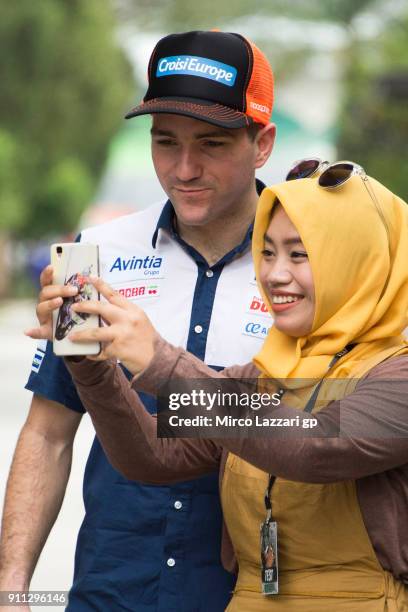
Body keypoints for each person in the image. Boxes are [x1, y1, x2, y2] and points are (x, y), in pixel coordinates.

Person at [28, 163, 408, 610]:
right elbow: (154, 453)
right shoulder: (263, 371)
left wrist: (159, 359)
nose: (275, 275)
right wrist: (91, 361)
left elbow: (316, 446)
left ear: (357, 260)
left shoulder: (396, 371)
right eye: (267, 252)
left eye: (299, 255)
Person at [0, 30, 276, 611]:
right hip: (112, 589)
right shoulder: (93, 254)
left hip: (252, 593)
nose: (184, 168)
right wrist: (12, 588)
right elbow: (48, 434)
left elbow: (318, 424)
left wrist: (158, 363)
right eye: (164, 142)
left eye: (212, 144)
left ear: (263, 143)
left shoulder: (309, 264)